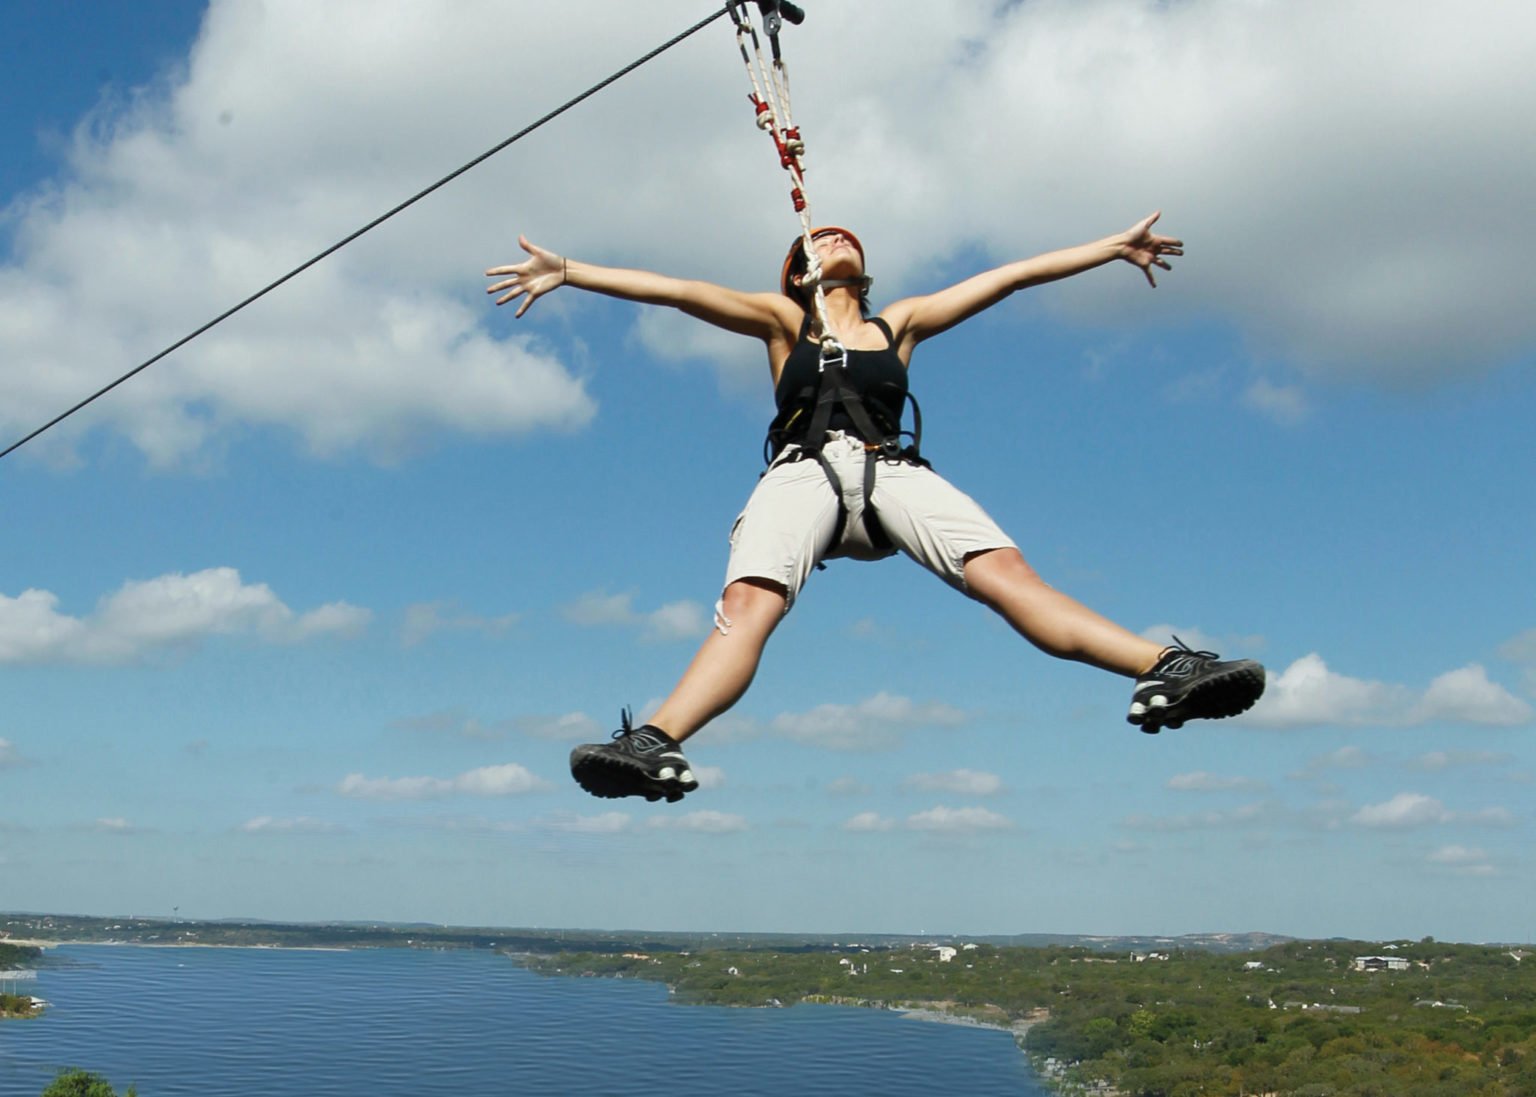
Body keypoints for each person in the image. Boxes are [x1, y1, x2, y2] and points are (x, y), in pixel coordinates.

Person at [485, 213, 1265, 803]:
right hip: (803, 471)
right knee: (748, 605)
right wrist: (570, 271)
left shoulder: (901, 323)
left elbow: (1011, 278)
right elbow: (680, 293)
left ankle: (1165, 669)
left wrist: (1109, 248)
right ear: (800, 272)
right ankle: (656, 740)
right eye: (821, 238)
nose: (835, 239)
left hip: (890, 470)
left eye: (846, 237)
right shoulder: (783, 322)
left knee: (1010, 576)